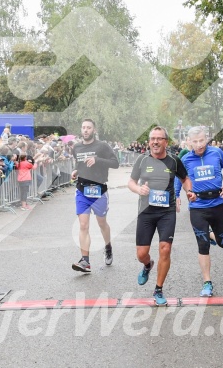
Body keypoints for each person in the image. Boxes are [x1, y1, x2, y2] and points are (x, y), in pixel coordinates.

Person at [128, 126, 188, 306]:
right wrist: (139, 189)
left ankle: (158, 289)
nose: (155, 142)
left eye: (159, 139)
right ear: (149, 142)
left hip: (166, 211)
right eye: (152, 138)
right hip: (146, 212)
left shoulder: (174, 161)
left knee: (165, 248)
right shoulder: (141, 160)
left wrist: (189, 191)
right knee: (141, 253)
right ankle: (147, 265)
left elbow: (185, 179)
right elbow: (130, 182)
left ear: (166, 142)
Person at [178, 126, 223, 297]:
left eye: (201, 140)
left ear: (207, 139)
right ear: (189, 142)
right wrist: (180, 195)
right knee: (202, 246)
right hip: (197, 206)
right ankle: (207, 283)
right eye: (195, 142)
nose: (199, 144)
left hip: (218, 204)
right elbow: (180, 178)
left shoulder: (217, 153)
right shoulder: (186, 159)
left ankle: (212, 235)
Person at [71, 119, 120, 273]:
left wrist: (97, 160)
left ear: (94, 130)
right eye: (84, 127)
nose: (85, 130)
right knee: (83, 225)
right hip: (82, 190)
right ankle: (85, 261)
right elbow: (79, 164)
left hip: (99, 191)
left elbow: (115, 163)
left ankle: (108, 246)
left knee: (102, 224)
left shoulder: (102, 146)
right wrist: (76, 171)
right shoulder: (77, 147)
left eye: (89, 128)